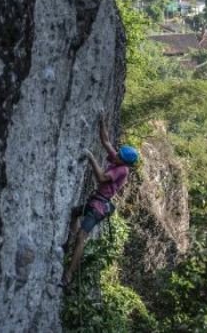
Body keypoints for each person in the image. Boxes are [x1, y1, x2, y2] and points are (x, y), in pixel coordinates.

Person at [61, 113, 139, 287]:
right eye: (118, 154)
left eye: (118, 155)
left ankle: (69, 274)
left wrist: (91, 158)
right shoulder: (119, 160)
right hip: (95, 201)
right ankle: (69, 243)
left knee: (82, 236)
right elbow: (106, 142)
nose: (115, 155)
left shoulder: (122, 170)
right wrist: (102, 121)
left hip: (99, 207)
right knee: (73, 214)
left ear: (124, 161)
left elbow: (102, 178)